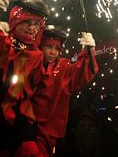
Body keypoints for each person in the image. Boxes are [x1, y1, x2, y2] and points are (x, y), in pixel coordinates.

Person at [0, 0, 49, 156]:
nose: (32, 28)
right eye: (27, 22)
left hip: (18, 120)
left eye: (36, 24)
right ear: (16, 20)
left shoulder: (37, 56)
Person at [31, 25, 98, 157]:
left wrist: (88, 51)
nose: (53, 52)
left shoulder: (63, 67)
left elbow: (81, 72)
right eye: (49, 47)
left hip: (50, 130)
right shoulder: (31, 60)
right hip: (27, 127)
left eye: (57, 48)